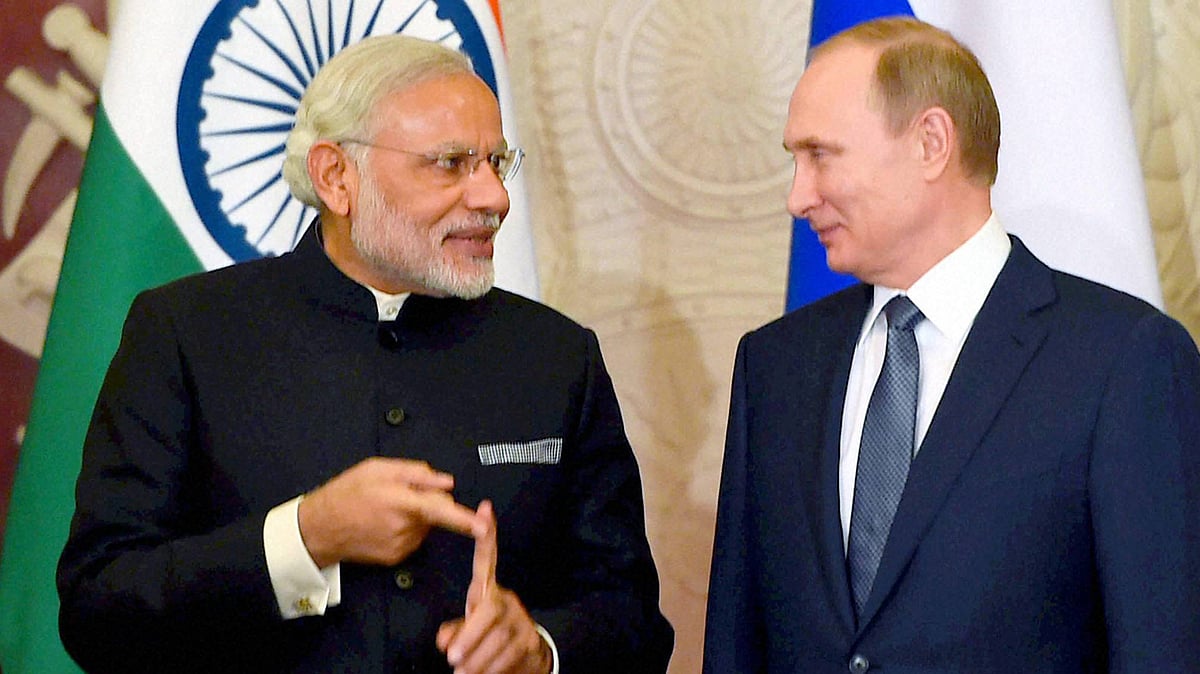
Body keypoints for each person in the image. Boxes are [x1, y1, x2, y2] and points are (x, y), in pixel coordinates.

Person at [57, 34, 673, 674]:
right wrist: (306, 538)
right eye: (452, 163)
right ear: (336, 177)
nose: (494, 198)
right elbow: (98, 611)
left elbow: (634, 621)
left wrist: (540, 650)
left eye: (497, 162)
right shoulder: (185, 333)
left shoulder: (557, 356)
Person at [703, 16, 1200, 674]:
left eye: (821, 156)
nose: (799, 197)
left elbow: (1162, 649)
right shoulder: (775, 365)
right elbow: (739, 646)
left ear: (931, 142)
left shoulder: (1123, 359)